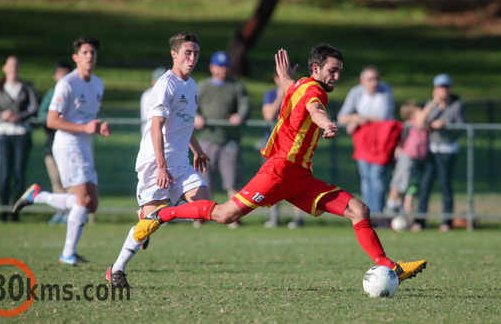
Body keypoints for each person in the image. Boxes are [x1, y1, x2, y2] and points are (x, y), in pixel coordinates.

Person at [134, 45, 427, 284]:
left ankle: (391, 267)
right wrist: (327, 124)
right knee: (224, 215)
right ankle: (162, 215)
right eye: (332, 70)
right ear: (316, 69)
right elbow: (315, 110)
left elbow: (292, 88)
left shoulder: (300, 85)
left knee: (359, 210)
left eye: (339, 71)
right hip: (279, 171)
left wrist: (285, 76)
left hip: (300, 177)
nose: (336, 76)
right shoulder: (314, 92)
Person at [105, 31, 211, 288]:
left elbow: (184, 125)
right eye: (188, 52)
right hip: (155, 162)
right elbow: (156, 127)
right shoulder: (166, 84)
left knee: (203, 204)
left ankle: (155, 214)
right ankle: (116, 269)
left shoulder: (191, 84)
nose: (193, 58)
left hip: (181, 162)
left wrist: (196, 150)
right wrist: (161, 167)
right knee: (151, 223)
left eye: (196, 53)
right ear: (174, 54)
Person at [13, 36, 111, 264]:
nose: (89, 56)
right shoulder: (66, 83)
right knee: (83, 199)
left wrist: (98, 126)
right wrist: (84, 127)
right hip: (67, 145)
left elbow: (88, 118)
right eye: (85, 53)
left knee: (91, 203)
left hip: (83, 144)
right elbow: (51, 120)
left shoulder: (98, 84)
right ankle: (68, 253)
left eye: (92, 53)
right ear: (76, 58)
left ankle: (37, 196)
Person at [193, 51, 251, 228]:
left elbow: (245, 105)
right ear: (212, 67)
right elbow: (190, 105)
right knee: (205, 181)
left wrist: (239, 116)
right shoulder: (202, 86)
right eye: (219, 66)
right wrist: (196, 117)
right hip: (206, 140)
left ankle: (233, 217)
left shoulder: (236, 86)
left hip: (228, 141)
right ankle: (202, 215)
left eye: (225, 66)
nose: (222, 70)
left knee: (232, 181)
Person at [337, 66, 395, 221]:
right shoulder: (356, 92)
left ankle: (378, 215)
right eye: (370, 79)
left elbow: (382, 117)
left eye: (376, 79)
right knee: (366, 180)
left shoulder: (385, 91)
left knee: (377, 178)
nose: (374, 83)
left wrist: (360, 119)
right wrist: (356, 118)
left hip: (381, 143)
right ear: (362, 81)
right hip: (363, 143)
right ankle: (368, 215)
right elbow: (342, 116)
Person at [0, 55, 39, 222]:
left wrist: (20, 115)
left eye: (16, 65)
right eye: (10, 65)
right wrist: (3, 115)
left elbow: (34, 108)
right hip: (4, 133)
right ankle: (3, 209)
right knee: (4, 173)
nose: (13, 68)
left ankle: (16, 211)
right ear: (4, 68)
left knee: (19, 173)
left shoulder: (26, 87)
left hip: (21, 133)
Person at [412, 74, 465, 232]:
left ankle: (446, 222)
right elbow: (420, 123)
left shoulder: (456, 105)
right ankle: (420, 221)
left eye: (446, 88)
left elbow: (461, 127)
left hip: (447, 150)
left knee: (445, 185)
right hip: (431, 150)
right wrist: (434, 103)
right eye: (440, 88)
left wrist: (445, 124)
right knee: (425, 185)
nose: (443, 91)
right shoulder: (431, 105)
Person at [261, 71, 304, 229]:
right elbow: (269, 115)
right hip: (273, 147)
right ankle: (274, 217)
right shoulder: (271, 95)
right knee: (272, 183)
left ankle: (298, 218)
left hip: (292, 147)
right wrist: (281, 95)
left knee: (295, 182)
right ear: (275, 78)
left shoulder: (298, 94)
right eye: (279, 77)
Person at [385, 100, 433, 224]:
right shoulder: (413, 123)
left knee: (411, 188)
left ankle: (407, 216)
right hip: (407, 157)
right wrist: (433, 102)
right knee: (400, 182)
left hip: (419, 159)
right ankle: (390, 205)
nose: (423, 113)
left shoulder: (423, 123)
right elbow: (421, 119)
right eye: (419, 111)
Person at [38, 61, 73, 224]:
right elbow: (43, 116)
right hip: (54, 144)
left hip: (72, 146)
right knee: (57, 181)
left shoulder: (75, 92)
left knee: (73, 183)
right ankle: (59, 209)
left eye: (67, 73)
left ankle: (71, 212)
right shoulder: (52, 95)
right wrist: (59, 121)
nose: (63, 77)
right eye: (60, 73)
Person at [140, 66, 167, 135]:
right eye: (158, 81)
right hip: (151, 134)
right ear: (153, 82)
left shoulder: (169, 93)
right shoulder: (148, 95)